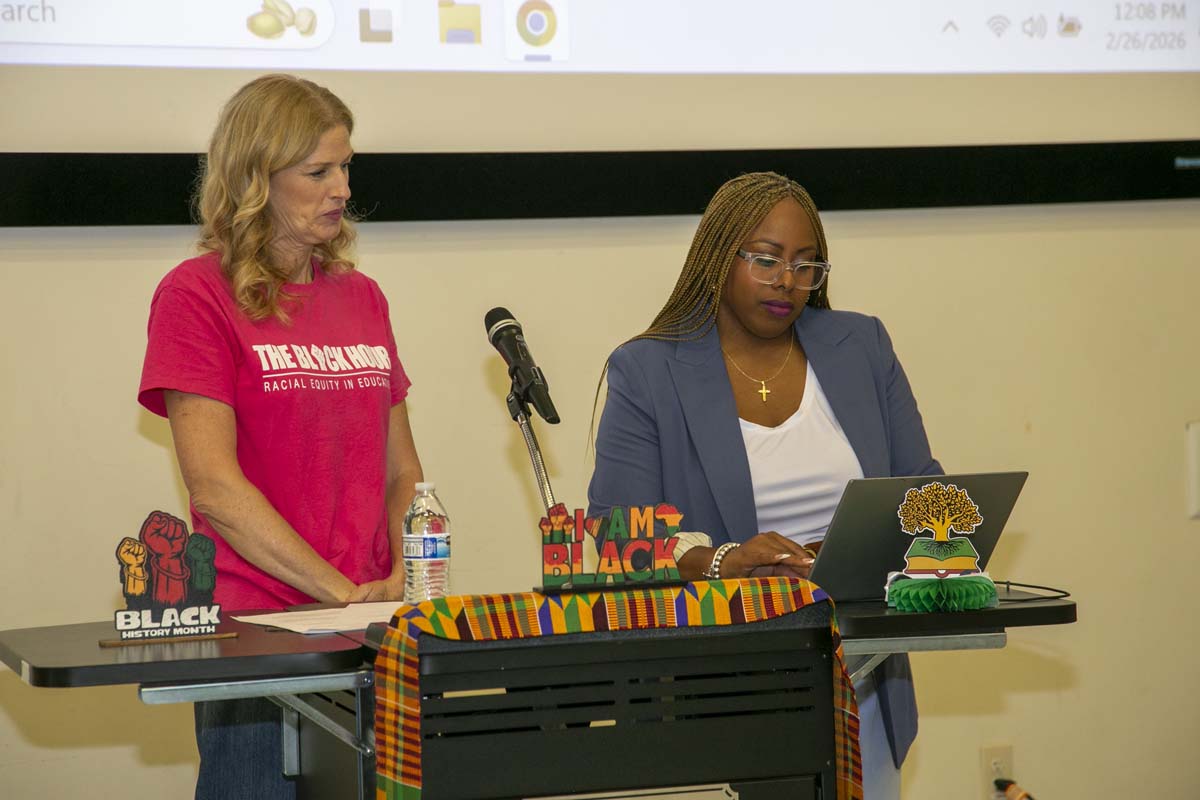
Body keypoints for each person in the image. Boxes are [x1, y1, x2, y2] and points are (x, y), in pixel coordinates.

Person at [587, 171, 941, 799]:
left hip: (861, 679)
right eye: (767, 260)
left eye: (807, 265)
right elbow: (620, 537)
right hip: (718, 694)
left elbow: (922, 487)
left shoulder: (862, 345)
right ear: (718, 257)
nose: (788, 282)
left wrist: (949, 537)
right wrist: (723, 560)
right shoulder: (647, 370)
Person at [138, 74, 423, 800]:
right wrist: (336, 592)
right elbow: (215, 487)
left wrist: (396, 586)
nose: (341, 188)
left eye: (346, 167)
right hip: (255, 630)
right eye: (318, 171)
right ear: (255, 180)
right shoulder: (195, 294)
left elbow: (403, 473)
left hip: (371, 625)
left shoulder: (362, 297)